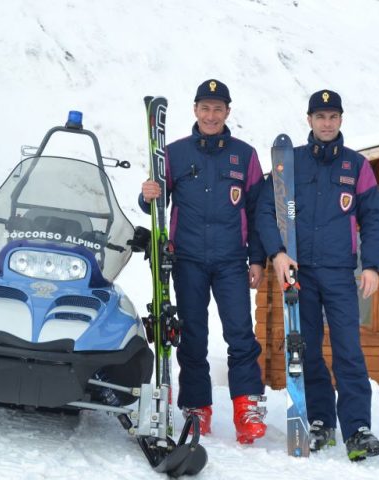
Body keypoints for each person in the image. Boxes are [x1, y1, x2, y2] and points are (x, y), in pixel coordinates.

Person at [256, 89, 379, 461]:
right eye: (320, 117)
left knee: (349, 350)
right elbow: (266, 210)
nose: (326, 123)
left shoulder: (356, 167)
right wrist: (277, 254)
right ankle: (322, 423)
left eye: (333, 117)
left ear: (341, 120)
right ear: (309, 120)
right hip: (299, 272)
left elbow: (372, 218)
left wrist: (371, 265)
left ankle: (357, 428)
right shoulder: (289, 163)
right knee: (306, 350)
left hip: (340, 272)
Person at [138, 79, 267, 444]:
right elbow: (155, 204)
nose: (211, 115)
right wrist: (146, 194)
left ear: (228, 112)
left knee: (240, 334)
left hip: (230, 260)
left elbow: (258, 211)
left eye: (218, 108)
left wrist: (256, 260)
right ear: (195, 110)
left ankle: (246, 406)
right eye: (205, 108)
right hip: (188, 259)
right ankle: (197, 407)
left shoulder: (245, 155)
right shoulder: (175, 154)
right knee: (192, 334)